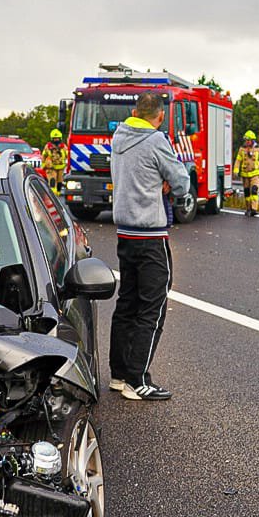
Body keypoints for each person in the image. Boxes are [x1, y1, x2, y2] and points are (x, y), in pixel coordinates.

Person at [109, 92, 190, 401]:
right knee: (153, 307)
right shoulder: (156, 140)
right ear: (160, 117)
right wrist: (168, 184)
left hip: (125, 235)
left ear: (133, 111)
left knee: (127, 304)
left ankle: (119, 374)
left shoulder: (118, 138)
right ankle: (137, 379)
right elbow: (180, 180)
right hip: (150, 236)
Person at [232, 130, 259, 216]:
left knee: (254, 190)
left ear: (252, 140)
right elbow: (238, 161)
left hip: (255, 175)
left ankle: (254, 209)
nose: (246, 142)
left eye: (248, 140)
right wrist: (235, 171)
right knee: (247, 192)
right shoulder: (242, 149)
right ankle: (248, 209)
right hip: (245, 175)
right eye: (246, 140)